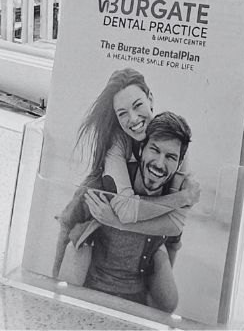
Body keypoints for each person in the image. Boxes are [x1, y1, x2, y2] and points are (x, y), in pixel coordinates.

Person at [53, 69, 198, 275]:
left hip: (142, 221)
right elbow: (127, 212)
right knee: (70, 233)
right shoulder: (117, 142)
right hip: (93, 206)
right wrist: (182, 197)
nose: (133, 118)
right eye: (122, 113)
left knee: (170, 250)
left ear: (150, 99)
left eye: (138, 105)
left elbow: (175, 224)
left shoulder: (174, 138)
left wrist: (117, 222)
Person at [72, 112, 193, 312]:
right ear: (141, 149)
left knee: (170, 301)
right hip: (92, 291)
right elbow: (70, 225)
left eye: (171, 157)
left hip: (135, 298)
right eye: (154, 150)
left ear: (179, 164)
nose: (159, 164)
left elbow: (173, 242)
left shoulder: (175, 195)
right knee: (78, 244)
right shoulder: (109, 183)